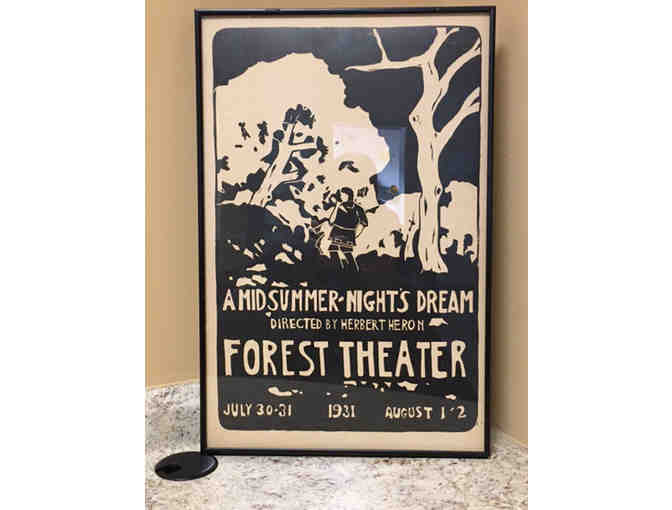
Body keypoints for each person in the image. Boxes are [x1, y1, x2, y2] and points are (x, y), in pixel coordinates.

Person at [327, 187, 368, 271]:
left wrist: (355, 234)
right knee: (333, 249)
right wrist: (337, 205)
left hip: (348, 234)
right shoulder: (340, 206)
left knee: (345, 250)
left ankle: (353, 270)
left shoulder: (358, 208)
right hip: (337, 232)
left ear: (348, 195)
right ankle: (338, 269)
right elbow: (331, 221)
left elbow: (364, 223)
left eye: (342, 195)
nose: (340, 197)